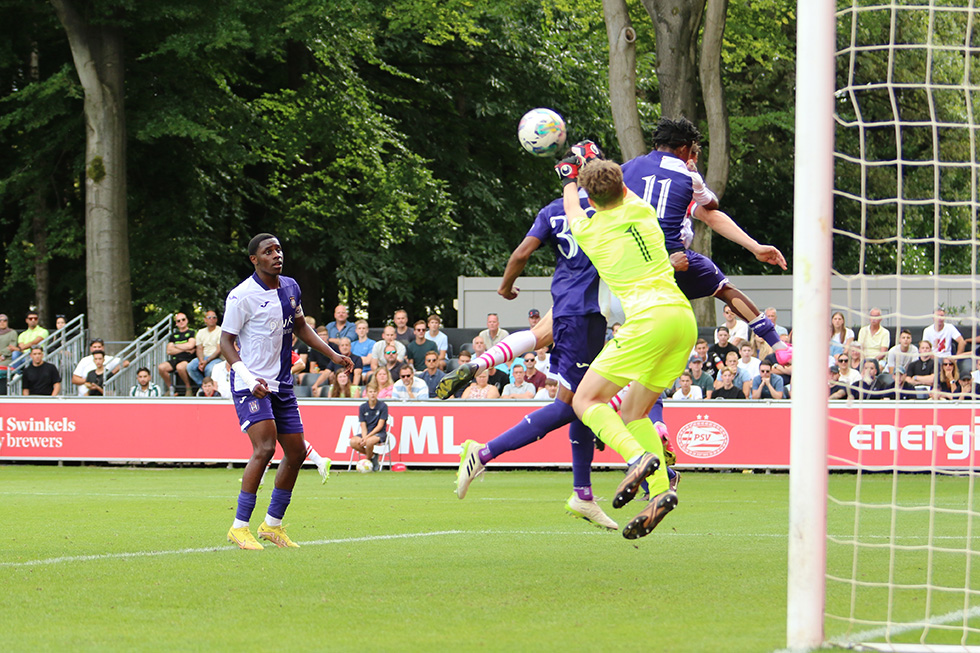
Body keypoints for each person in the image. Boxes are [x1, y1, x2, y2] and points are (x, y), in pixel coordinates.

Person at [556, 155, 697, 539]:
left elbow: (572, 203)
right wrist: (591, 161)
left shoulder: (589, 230)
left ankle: (637, 457)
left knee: (586, 402)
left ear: (590, 195)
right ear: (621, 186)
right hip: (682, 320)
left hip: (647, 321)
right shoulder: (643, 210)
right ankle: (661, 490)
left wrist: (569, 176)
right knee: (636, 413)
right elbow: (615, 186)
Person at [619, 118, 792, 365]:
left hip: (626, 265)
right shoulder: (687, 177)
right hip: (672, 261)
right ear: (684, 149)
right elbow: (711, 208)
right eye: (694, 150)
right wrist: (755, 247)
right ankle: (778, 345)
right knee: (723, 288)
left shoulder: (627, 169)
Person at [222, 233, 353, 551]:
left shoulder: (291, 287)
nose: (277, 255)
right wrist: (249, 379)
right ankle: (239, 527)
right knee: (265, 448)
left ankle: (272, 526)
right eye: (269, 251)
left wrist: (332, 354)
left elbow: (300, 326)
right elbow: (225, 343)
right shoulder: (242, 296)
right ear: (255, 259)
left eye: (279, 249)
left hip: (281, 386)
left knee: (295, 453)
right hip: (251, 386)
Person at [351, 381, 388, 471]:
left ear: (377, 393)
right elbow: (363, 425)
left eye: (374, 392)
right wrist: (364, 437)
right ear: (366, 393)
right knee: (353, 442)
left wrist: (367, 437)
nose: (372, 394)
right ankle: (373, 456)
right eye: (370, 392)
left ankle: (368, 461)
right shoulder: (363, 407)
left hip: (379, 433)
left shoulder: (383, 406)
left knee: (369, 442)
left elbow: (380, 426)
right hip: (367, 433)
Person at [157, 312, 197, 396]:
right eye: (178, 321)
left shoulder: (192, 332)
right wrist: (185, 348)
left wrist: (176, 346)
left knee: (180, 367)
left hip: (188, 359)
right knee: (161, 367)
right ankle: (170, 388)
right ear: (176, 323)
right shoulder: (173, 336)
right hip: (175, 359)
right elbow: (169, 351)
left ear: (187, 320)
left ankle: (188, 388)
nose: (181, 322)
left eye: (183, 319)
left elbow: (191, 345)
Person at [188, 310, 224, 389]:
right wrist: (201, 361)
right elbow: (199, 348)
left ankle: (210, 388)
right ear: (205, 320)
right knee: (190, 367)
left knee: (209, 369)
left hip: (216, 358)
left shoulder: (220, 331)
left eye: (214, 317)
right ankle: (203, 387)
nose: (212, 319)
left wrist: (206, 361)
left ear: (217, 319)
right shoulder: (201, 332)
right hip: (203, 358)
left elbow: (219, 350)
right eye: (209, 317)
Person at [0, 313, 17, 394]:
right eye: (0, 320)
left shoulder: (12, 333)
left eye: (5, 320)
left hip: (7, 359)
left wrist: (2, 354)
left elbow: (11, 347)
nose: (2, 322)